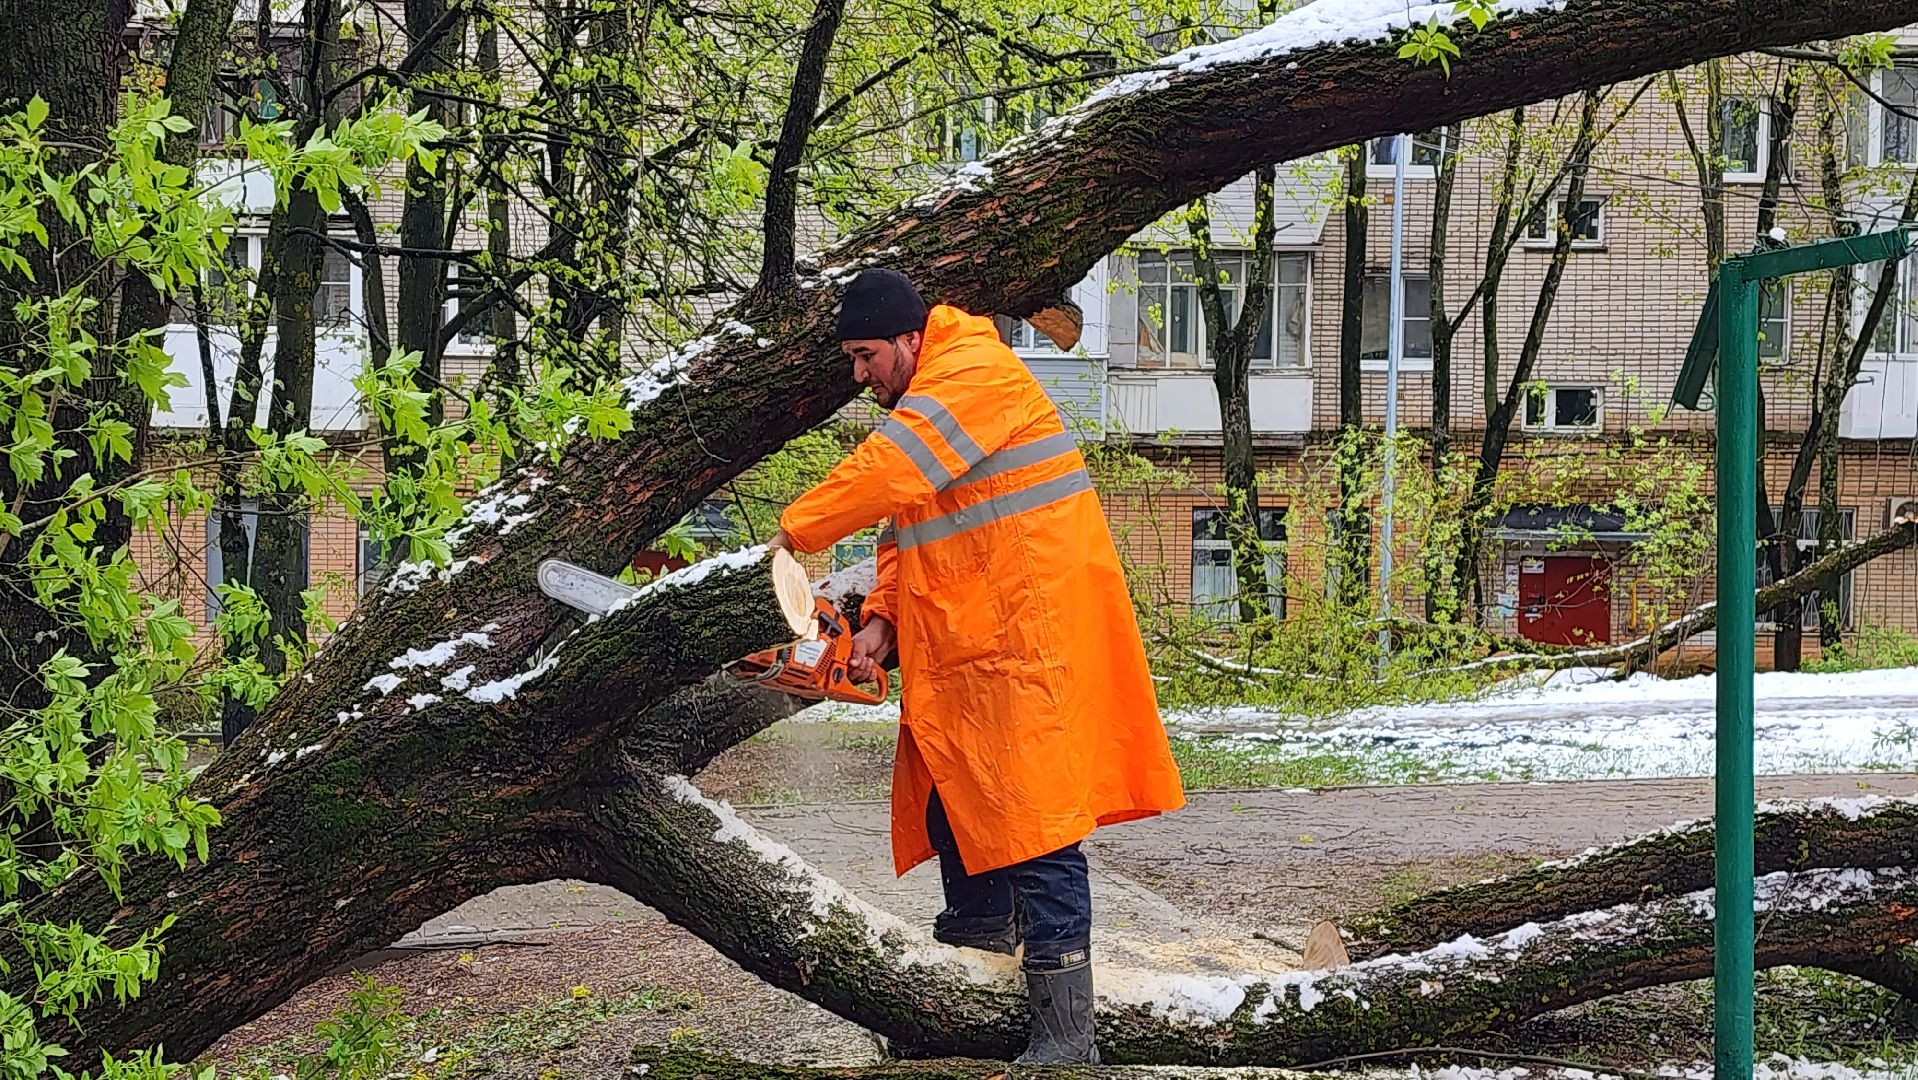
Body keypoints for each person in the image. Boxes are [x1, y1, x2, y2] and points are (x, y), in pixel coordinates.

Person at [768, 267, 1185, 1064]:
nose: (859, 376)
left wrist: (793, 533)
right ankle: (969, 985)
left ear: (907, 339)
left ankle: (1068, 1038)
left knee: (1035, 826)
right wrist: (882, 620)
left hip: (1025, 639)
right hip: (968, 641)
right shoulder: (928, 401)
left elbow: (889, 475)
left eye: (864, 356)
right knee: (959, 809)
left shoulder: (972, 373)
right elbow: (907, 525)